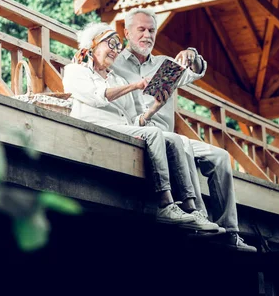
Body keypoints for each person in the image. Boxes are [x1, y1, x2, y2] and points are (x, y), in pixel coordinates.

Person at [112, 8, 258, 252]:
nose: (147, 35)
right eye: (141, 30)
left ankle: (230, 232)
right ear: (127, 32)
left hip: (169, 134)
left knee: (221, 157)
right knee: (181, 146)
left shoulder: (164, 64)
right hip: (138, 132)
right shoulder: (114, 64)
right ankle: (199, 217)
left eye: (152, 31)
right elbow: (92, 69)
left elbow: (198, 71)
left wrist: (193, 54)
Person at [62, 22, 219, 232]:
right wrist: (135, 85)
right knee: (155, 133)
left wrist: (155, 107)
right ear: (93, 44)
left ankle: (192, 208)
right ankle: (165, 204)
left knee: (172, 138)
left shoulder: (116, 78)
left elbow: (134, 122)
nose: (116, 50)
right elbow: (98, 97)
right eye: (112, 44)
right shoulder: (75, 71)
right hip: (95, 128)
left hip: (121, 130)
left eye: (119, 46)